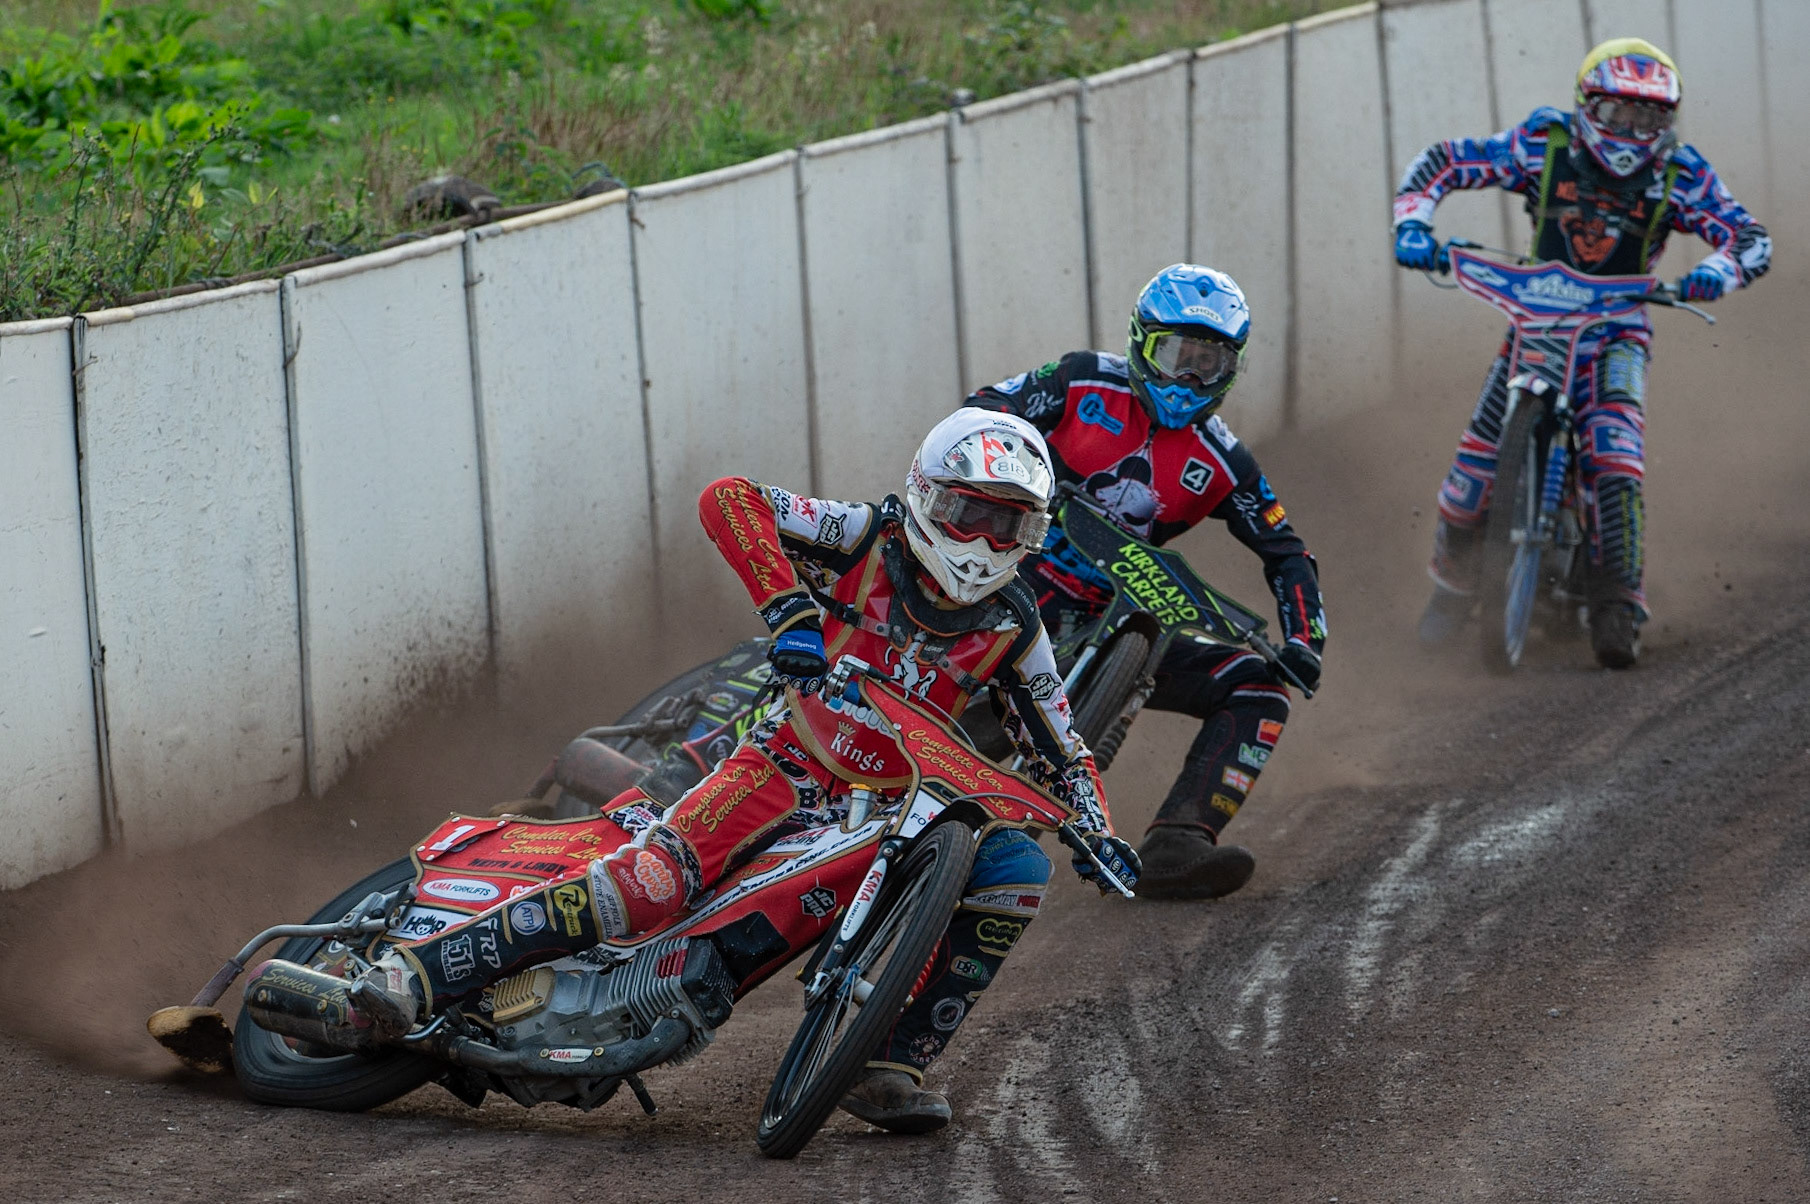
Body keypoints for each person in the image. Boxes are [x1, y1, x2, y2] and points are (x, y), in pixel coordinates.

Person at [272, 410, 1138, 1135]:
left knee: (1017, 867)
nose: (983, 541)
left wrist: (1097, 828)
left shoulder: (1016, 625)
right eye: (969, 512)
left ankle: (891, 1062)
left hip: (896, 810)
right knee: (647, 886)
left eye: (1008, 525)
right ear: (925, 495)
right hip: (781, 761)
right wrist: (790, 612)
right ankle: (414, 975)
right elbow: (730, 498)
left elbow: (1063, 742)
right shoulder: (864, 535)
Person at [1393, 37, 1771, 667]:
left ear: (1668, 121)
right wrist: (1412, 224)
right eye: (1618, 112)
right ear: (1586, 106)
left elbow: (1749, 237)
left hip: (1616, 334)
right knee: (1469, 477)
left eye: (1648, 117)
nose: (1631, 131)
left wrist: (1716, 272)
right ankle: (1452, 588)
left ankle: (1618, 604)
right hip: (1534, 323)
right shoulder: (1546, 145)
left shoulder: (1680, 173)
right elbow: (1445, 161)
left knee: (1615, 459)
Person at [964, 264, 1327, 901]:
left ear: (1232, 370)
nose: (1188, 379)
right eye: (1176, 355)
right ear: (1140, 343)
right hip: (1003, 575)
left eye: (1209, 365)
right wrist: (1022, 470)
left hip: (1120, 612)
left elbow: (1287, 551)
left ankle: (1178, 842)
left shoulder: (1225, 461)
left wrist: (1305, 640)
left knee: (1260, 687)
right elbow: (985, 408)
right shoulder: (1080, 380)